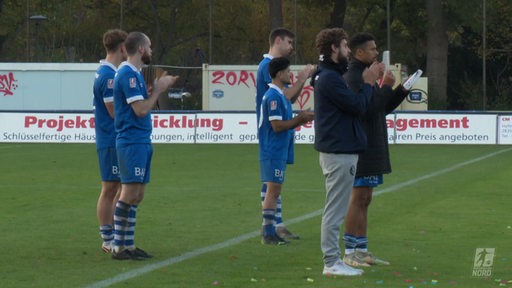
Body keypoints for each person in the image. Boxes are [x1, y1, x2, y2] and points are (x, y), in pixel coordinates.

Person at [310, 27, 383, 276]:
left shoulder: (328, 75)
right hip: (339, 151)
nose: (348, 51)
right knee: (335, 209)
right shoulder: (330, 79)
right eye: (345, 46)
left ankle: (334, 260)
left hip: (339, 149)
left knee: (337, 207)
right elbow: (356, 106)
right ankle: (331, 262)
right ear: (334, 48)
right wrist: (368, 83)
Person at [342, 32, 409, 267]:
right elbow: (366, 110)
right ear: (359, 52)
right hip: (362, 145)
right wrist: (386, 87)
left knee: (366, 198)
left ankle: (362, 249)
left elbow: (379, 108)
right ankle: (350, 251)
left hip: (372, 144)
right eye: (372, 49)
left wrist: (399, 90)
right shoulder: (353, 76)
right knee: (358, 197)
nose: (376, 53)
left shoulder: (365, 74)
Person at [112, 31, 178, 260]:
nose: (151, 50)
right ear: (140, 49)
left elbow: (138, 103)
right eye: (148, 46)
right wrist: (159, 90)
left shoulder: (136, 74)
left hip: (140, 140)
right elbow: (140, 110)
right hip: (131, 141)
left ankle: (128, 245)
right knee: (129, 193)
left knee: (137, 195)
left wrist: (153, 88)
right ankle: (118, 246)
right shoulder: (128, 75)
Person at [256, 27, 315, 240]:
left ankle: (275, 225)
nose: (291, 47)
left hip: (280, 136)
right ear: (278, 40)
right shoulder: (267, 67)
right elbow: (285, 96)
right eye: (289, 42)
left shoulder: (277, 85)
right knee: (272, 183)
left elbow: (287, 97)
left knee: (274, 182)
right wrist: (302, 78)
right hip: (273, 135)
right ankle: (270, 228)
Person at [93, 29, 127, 253]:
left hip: (111, 138)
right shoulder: (109, 77)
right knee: (110, 188)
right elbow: (114, 112)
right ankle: (108, 238)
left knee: (115, 188)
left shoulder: (106, 72)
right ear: (122, 47)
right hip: (110, 138)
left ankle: (113, 235)